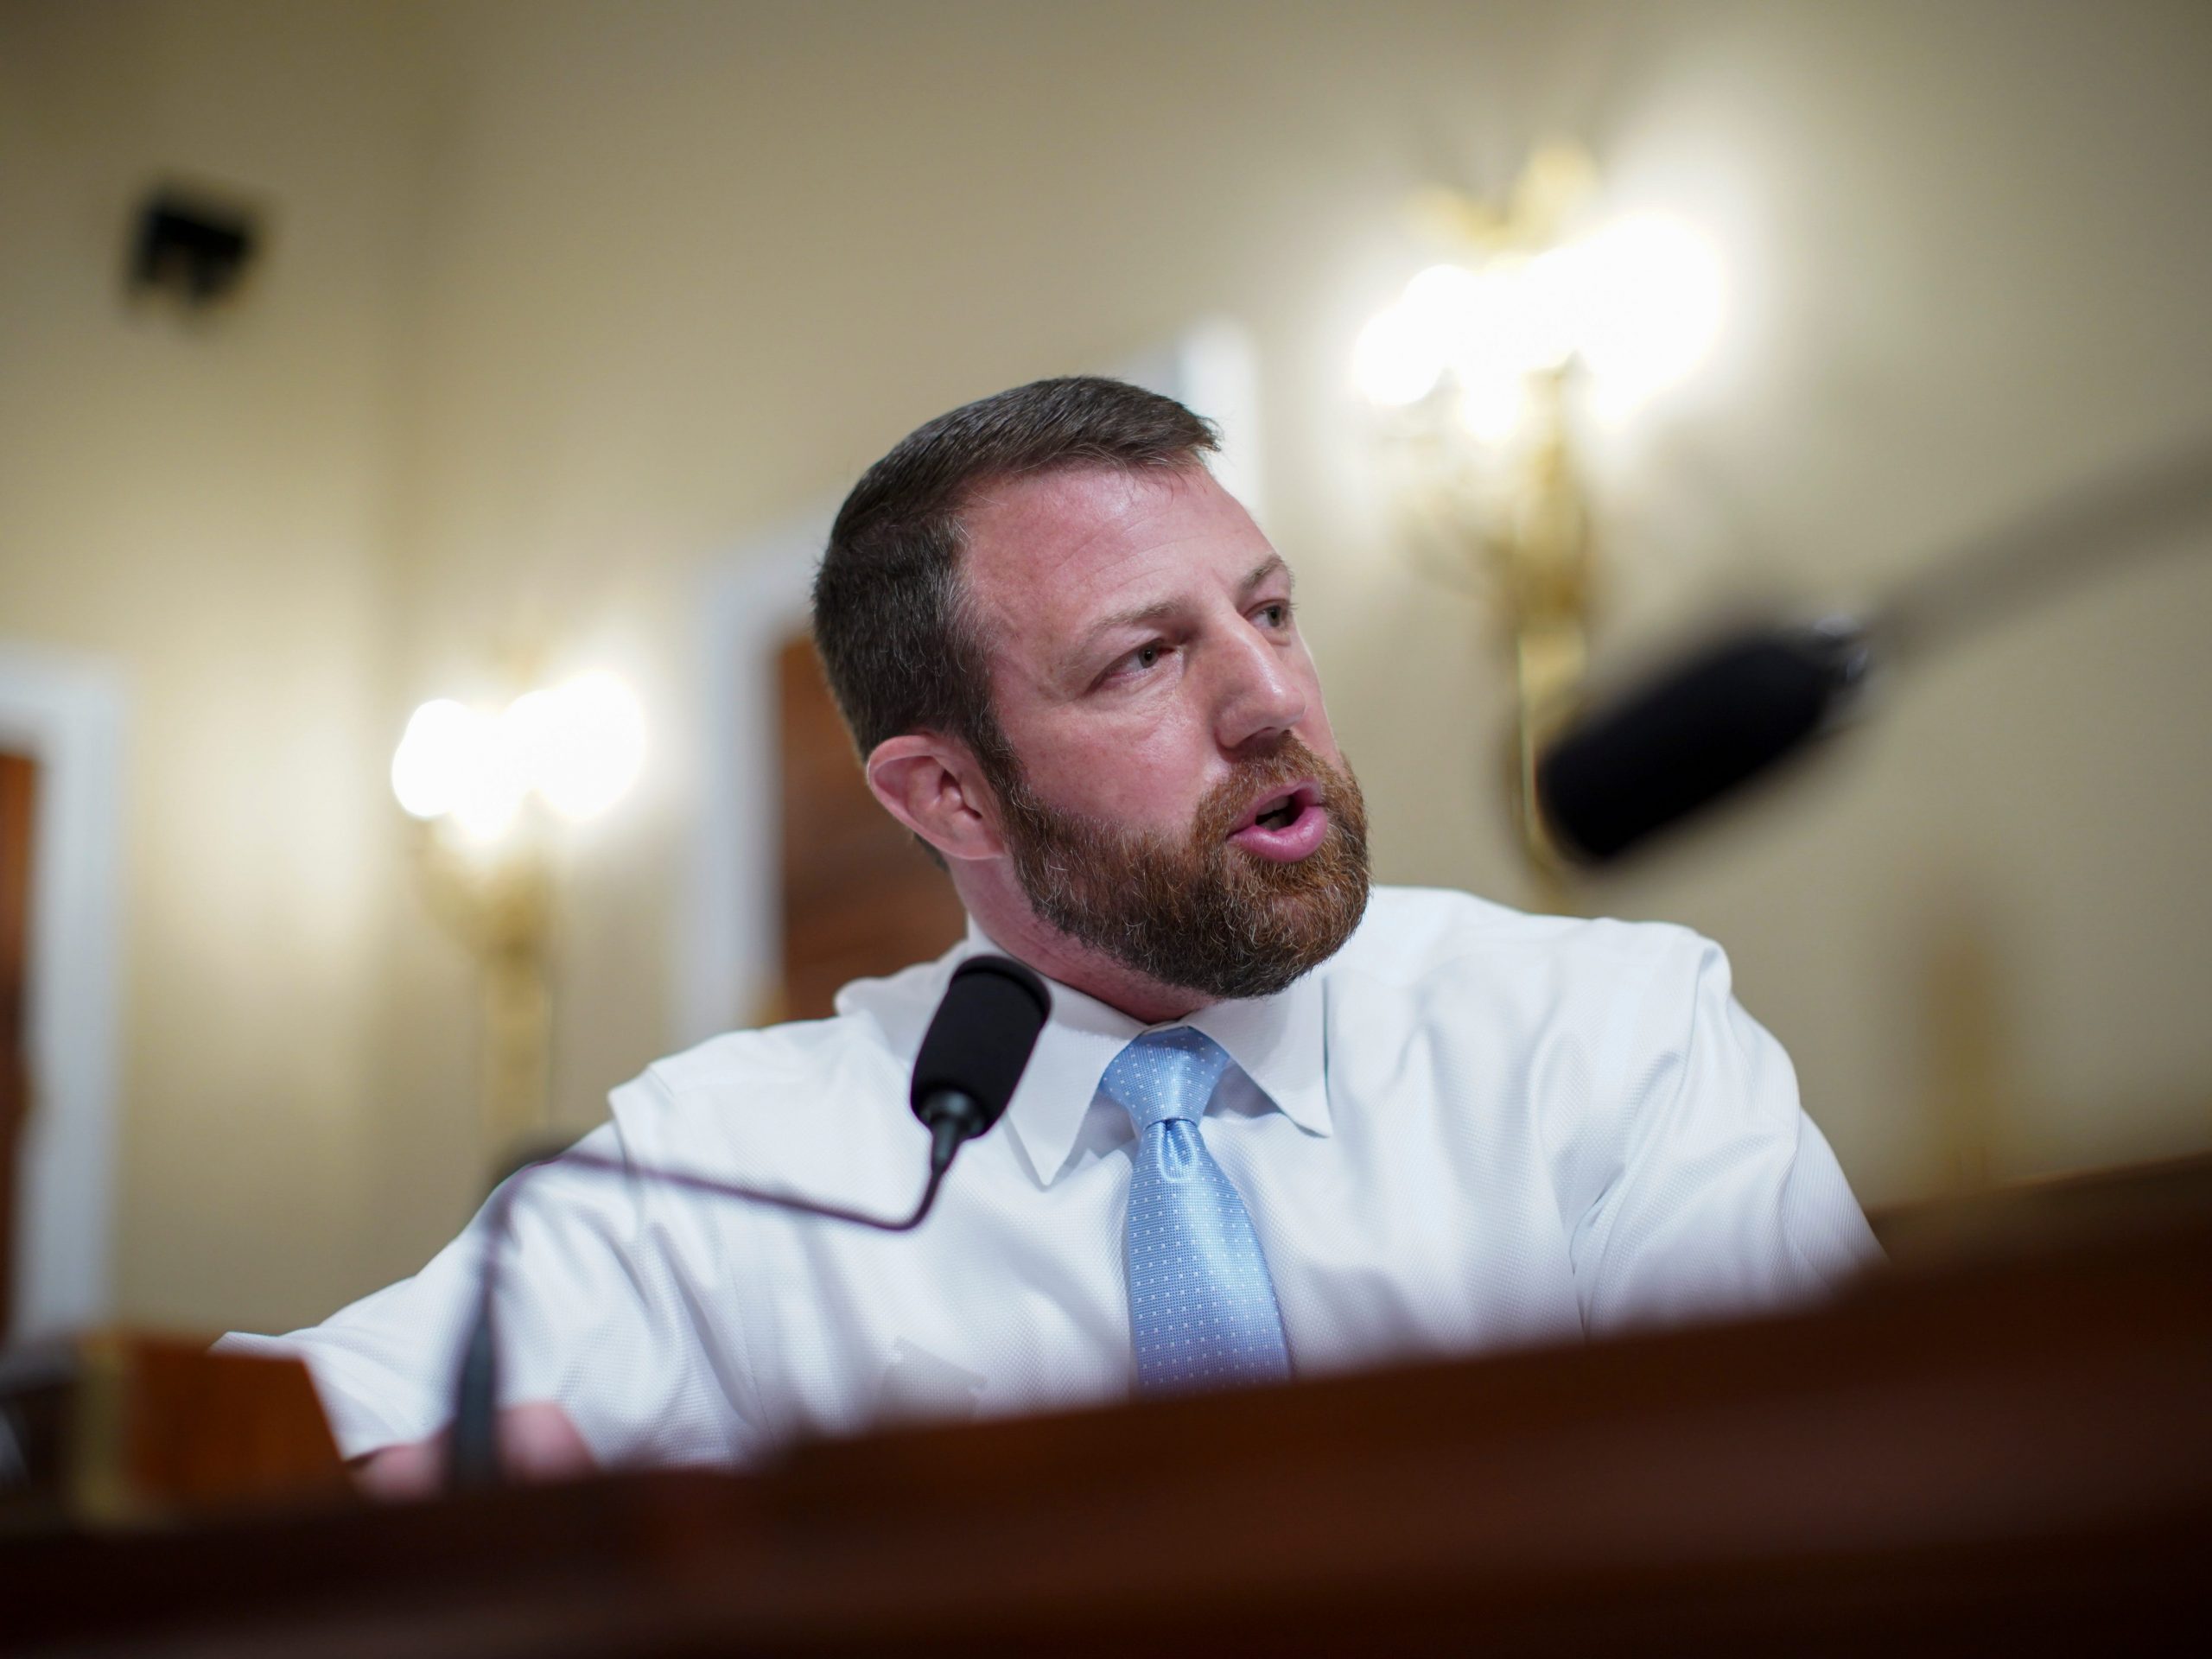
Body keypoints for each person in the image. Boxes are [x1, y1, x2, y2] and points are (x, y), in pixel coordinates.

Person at [219, 376, 1879, 1491]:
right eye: (1144, 660)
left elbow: (1840, 1494)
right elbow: (252, 1442)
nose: (1270, 700)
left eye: (1272, 612)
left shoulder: (1612, 1040)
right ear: (947, 796)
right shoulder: (731, 1166)